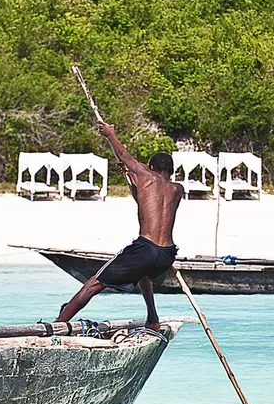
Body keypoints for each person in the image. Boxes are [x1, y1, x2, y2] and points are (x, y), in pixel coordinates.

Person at [54, 121, 184, 331]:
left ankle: (57, 326)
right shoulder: (177, 189)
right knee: (143, 273)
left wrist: (110, 134)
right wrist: (130, 177)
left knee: (93, 284)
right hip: (167, 254)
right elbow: (146, 203)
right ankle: (153, 319)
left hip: (146, 249)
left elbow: (123, 154)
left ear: (151, 168)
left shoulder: (145, 175)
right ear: (172, 171)